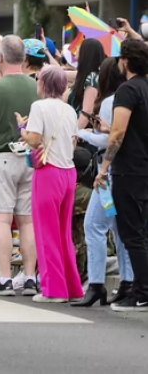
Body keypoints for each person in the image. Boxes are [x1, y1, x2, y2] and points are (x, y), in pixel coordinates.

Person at [0, 36, 41, 296]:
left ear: (0, 57)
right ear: (23, 58)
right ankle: (30, 276)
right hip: (31, 157)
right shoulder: (36, 85)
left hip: (0, 156)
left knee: (1, 219)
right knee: (27, 221)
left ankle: (4, 278)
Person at [17, 66, 82, 302]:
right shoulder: (69, 110)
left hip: (49, 172)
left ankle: (53, 289)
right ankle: (71, 286)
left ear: (43, 83)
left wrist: (22, 129)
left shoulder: (39, 107)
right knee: (63, 232)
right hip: (68, 171)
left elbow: (34, 140)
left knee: (46, 232)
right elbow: (73, 142)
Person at [72, 57, 133, 308]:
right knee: (120, 229)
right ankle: (127, 282)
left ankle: (96, 283)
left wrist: (81, 133)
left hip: (106, 175)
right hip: (126, 173)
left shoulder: (110, 102)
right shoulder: (130, 98)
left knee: (93, 225)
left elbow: (109, 140)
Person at [94, 38, 148, 312]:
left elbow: (118, 132)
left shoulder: (127, 90)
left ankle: (142, 291)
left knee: (131, 234)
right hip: (144, 168)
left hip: (129, 170)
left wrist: (104, 168)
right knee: (142, 232)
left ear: (125, 61)